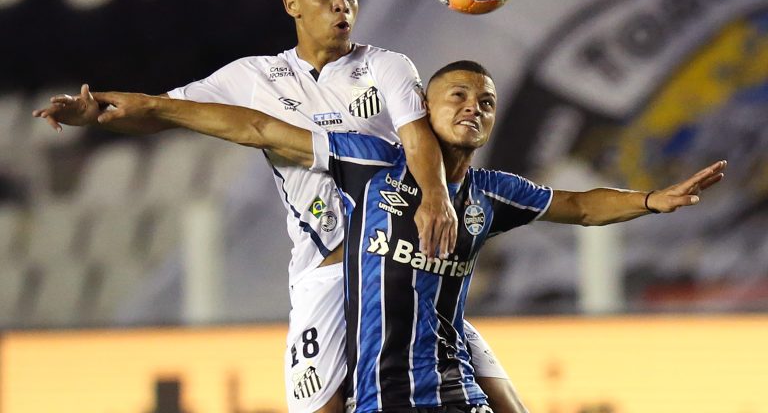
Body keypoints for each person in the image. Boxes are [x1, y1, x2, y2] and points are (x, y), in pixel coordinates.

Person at [32, 0, 523, 413]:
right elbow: (166, 114)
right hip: (325, 272)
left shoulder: (386, 66)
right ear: (293, 3)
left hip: (397, 268)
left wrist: (434, 196)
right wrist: (96, 113)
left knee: (502, 399)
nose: (343, 6)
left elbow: (417, 138)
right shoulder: (253, 78)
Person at [85, 60, 726, 412]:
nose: (473, 106)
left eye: (486, 100)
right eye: (457, 95)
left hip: (456, 389)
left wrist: (650, 199)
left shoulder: (492, 193)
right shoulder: (369, 161)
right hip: (386, 399)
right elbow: (257, 128)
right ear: (422, 104)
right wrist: (150, 105)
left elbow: (580, 206)